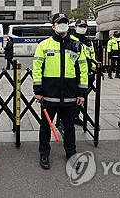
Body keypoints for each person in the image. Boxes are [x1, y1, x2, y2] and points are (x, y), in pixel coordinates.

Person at [33, 13, 88, 169]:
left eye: (64, 22)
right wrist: (38, 90)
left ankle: (71, 154)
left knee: (69, 128)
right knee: (45, 127)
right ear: (53, 26)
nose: (62, 25)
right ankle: (44, 153)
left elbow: (83, 69)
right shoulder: (44, 45)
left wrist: (81, 92)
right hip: (49, 94)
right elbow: (37, 68)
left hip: (70, 95)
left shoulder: (77, 45)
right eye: (59, 23)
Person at [71, 19, 96, 126]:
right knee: (71, 96)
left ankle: (76, 115)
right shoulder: (70, 39)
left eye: (84, 26)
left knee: (82, 96)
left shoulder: (88, 41)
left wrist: (94, 69)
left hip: (87, 72)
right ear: (75, 27)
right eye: (80, 26)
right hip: (74, 72)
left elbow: (93, 55)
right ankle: (65, 119)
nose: (83, 28)